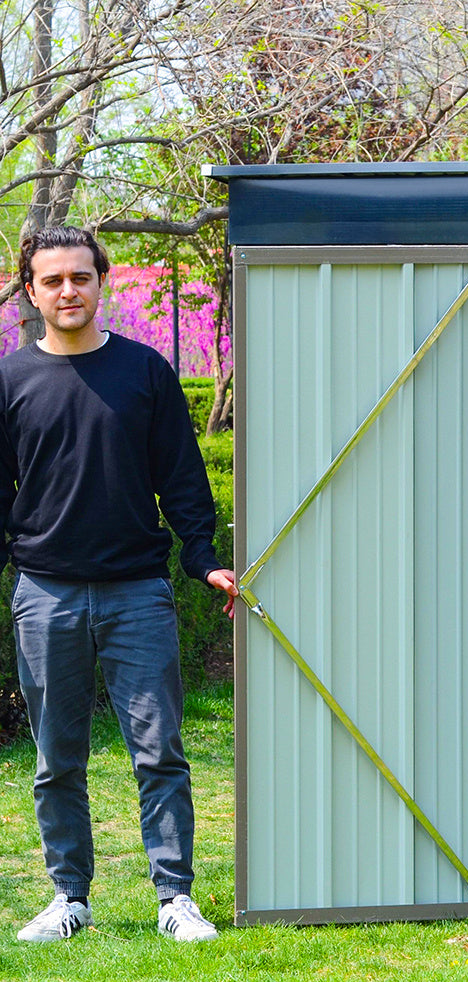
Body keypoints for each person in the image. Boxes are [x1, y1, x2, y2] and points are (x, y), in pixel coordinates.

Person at [3, 226, 240, 943]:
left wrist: (203, 558)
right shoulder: (9, 380)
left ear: (101, 281)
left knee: (159, 750)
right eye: (53, 280)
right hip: (44, 593)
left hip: (138, 591)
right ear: (31, 290)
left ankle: (175, 898)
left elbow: (183, 478)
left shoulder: (146, 370)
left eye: (80, 276)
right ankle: (69, 897)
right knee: (56, 759)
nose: (68, 290)